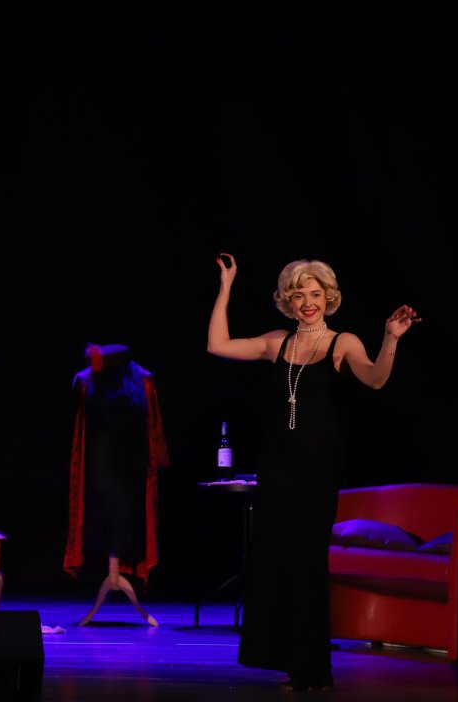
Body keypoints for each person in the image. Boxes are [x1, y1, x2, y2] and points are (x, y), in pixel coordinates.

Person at [206, 253, 420, 692]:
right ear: (288, 300)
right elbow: (217, 345)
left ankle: (314, 669)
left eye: (315, 294)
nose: (308, 302)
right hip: (276, 467)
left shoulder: (343, 342)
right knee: (276, 562)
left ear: (328, 298)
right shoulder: (277, 342)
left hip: (317, 468)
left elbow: (375, 379)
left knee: (306, 562)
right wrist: (226, 286)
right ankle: (290, 661)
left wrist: (390, 338)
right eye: (299, 294)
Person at [62, 342, 169, 626]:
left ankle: (117, 568)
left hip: (128, 465)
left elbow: (151, 426)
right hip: (102, 463)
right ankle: (111, 571)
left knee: (124, 516)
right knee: (107, 515)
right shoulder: (88, 381)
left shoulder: (141, 381)